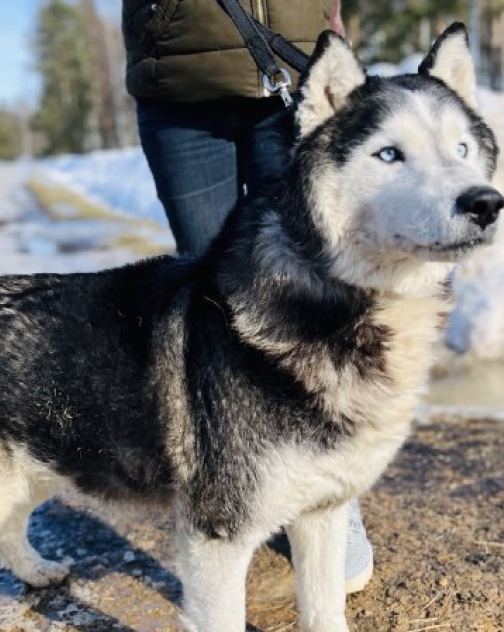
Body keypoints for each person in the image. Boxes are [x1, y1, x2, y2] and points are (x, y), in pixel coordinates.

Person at [121, 0, 374, 593]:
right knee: (212, 298)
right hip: (179, 81)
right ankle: (233, 468)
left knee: (312, 280)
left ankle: (329, 496)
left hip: (294, 67)